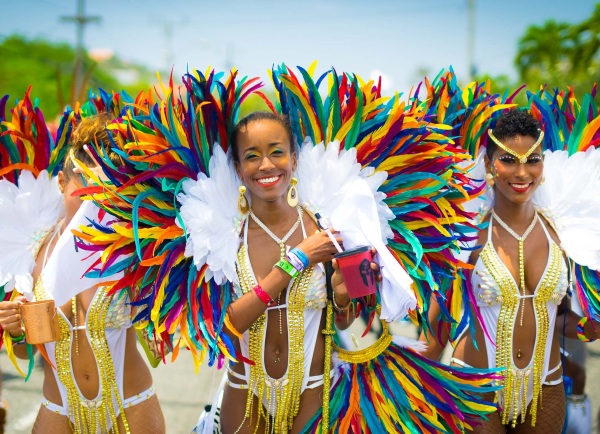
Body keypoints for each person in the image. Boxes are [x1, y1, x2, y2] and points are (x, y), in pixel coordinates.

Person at [421, 108, 600, 433]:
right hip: (477, 386)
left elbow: (559, 317)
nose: (522, 172)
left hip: (546, 387)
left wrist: (592, 328)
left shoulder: (562, 236)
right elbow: (435, 330)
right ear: (490, 165)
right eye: (509, 159)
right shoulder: (466, 236)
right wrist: (416, 395)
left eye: (532, 159)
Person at [0, 107, 166, 433]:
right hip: (58, 410)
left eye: (105, 191)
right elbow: (28, 350)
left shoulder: (132, 248)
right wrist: (16, 328)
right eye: (85, 188)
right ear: (62, 182)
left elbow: (157, 349)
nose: (94, 201)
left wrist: (154, 320)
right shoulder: (32, 255)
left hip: (130, 407)